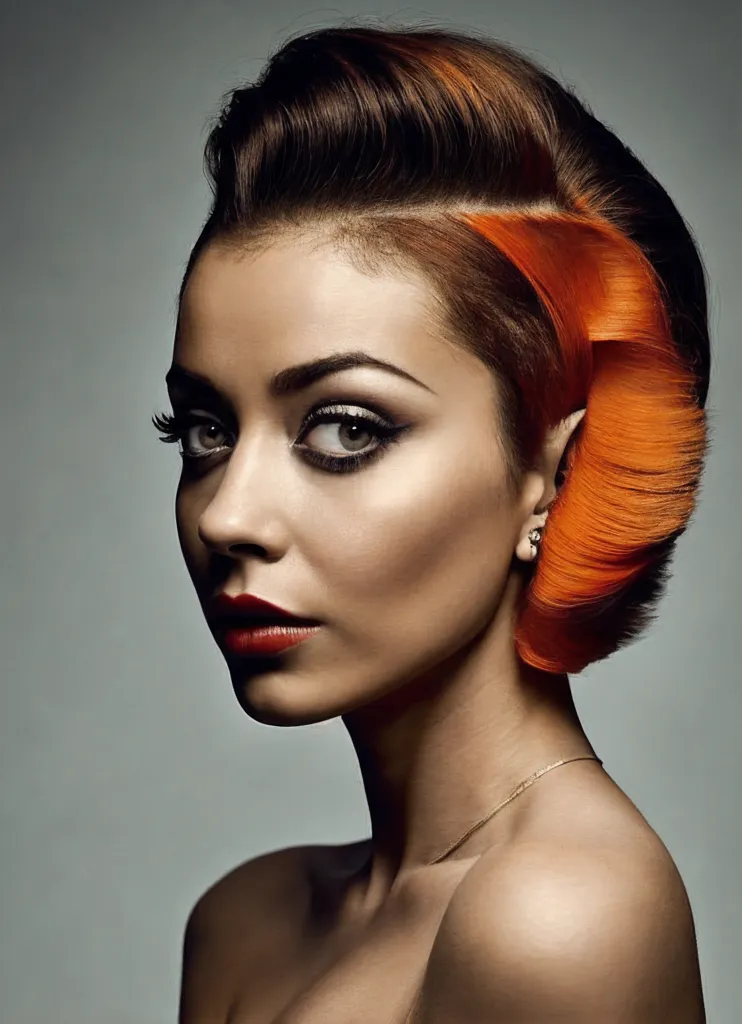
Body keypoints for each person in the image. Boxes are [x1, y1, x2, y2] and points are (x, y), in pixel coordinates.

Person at [153, 23, 709, 1023]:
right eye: (203, 431)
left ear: (557, 470)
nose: (228, 514)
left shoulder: (562, 917)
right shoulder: (241, 921)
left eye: (346, 428)